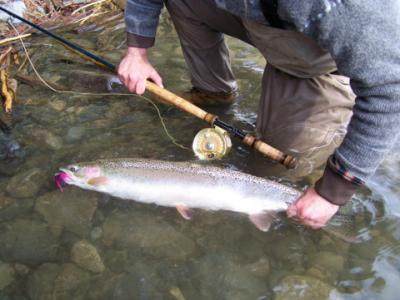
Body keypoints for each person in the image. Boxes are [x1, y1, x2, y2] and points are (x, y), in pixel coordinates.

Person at [117, 0, 400, 228]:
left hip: (316, 60)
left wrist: (333, 192)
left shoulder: (350, 9)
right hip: (257, 16)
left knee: (272, 172)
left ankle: (332, 103)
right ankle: (214, 93)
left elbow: (389, 88)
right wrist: (137, 52)